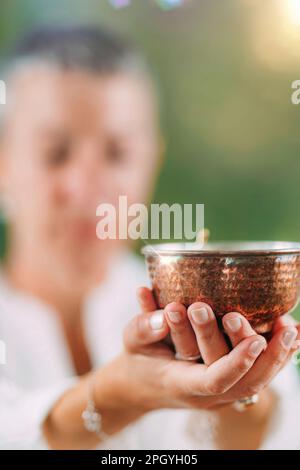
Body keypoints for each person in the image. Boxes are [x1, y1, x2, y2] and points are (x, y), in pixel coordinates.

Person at [0, 25, 299, 450]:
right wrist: (116, 395)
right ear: (4, 163)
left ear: (152, 160)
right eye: (56, 152)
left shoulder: (195, 306)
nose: (88, 188)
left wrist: (240, 388)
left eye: (117, 152)